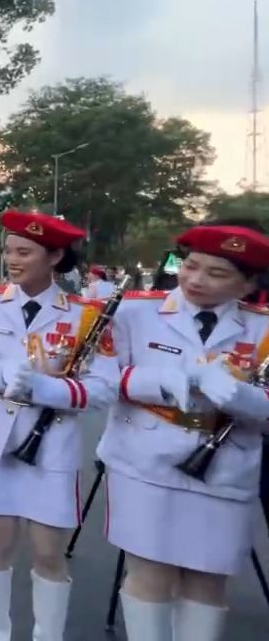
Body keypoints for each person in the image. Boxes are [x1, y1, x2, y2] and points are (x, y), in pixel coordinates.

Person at [98, 224, 269, 640]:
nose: (194, 280)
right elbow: (102, 380)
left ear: (248, 284)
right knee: (149, 573)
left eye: (217, 274)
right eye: (190, 266)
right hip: (143, 457)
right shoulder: (134, 311)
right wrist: (170, 379)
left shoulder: (262, 329)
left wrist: (240, 398)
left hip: (226, 467)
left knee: (206, 579)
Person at [0, 211, 119, 640]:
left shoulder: (85, 314)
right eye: (9, 251)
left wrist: (47, 390)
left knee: (48, 552)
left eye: (24, 252)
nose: (12, 260)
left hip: (51, 447)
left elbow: (104, 388)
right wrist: (1, 375)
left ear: (54, 256)